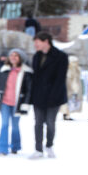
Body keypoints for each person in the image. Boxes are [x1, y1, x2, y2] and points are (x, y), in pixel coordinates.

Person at [29, 31, 68, 159]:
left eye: (37, 42)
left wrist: (53, 96)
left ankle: (49, 145)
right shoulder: (36, 56)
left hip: (54, 96)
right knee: (38, 123)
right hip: (38, 96)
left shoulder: (61, 56)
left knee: (50, 123)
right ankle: (38, 149)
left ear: (46, 41)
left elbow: (60, 79)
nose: (35, 45)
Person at [0, 48, 33, 155]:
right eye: (11, 55)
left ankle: (15, 146)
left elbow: (29, 90)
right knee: (4, 124)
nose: (13, 57)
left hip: (18, 104)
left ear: (21, 58)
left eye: (16, 55)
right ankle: (2, 148)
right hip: (5, 103)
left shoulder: (26, 72)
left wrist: (26, 103)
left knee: (15, 126)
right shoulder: (4, 70)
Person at [60, 55, 83, 120]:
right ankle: (67, 115)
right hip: (71, 88)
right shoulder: (73, 68)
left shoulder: (67, 68)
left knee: (67, 102)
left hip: (67, 88)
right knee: (69, 102)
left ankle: (66, 114)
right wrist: (75, 90)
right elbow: (74, 80)